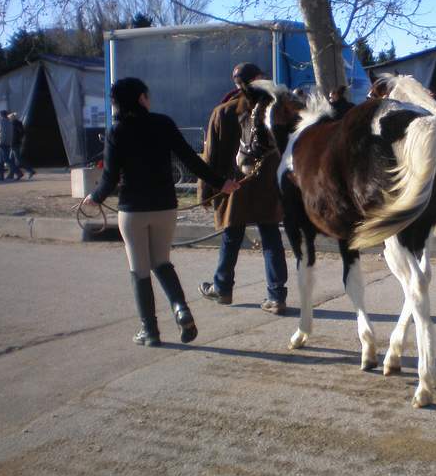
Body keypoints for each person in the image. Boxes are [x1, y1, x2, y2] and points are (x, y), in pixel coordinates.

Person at [84, 78, 239, 347]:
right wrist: (221, 183)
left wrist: (95, 198)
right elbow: (191, 159)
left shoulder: (116, 131)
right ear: (141, 98)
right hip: (165, 206)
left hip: (133, 210)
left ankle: (150, 331)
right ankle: (181, 309)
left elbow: (109, 178)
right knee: (162, 262)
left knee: (140, 269)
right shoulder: (163, 123)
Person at [198, 63, 289, 315]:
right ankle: (276, 295)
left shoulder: (224, 111)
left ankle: (222, 288)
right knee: (270, 237)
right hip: (267, 184)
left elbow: (211, 157)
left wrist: (207, 190)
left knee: (231, 236)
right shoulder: (276, 110)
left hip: (234, 185)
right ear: (259, 78)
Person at [8, 112, 35, 180]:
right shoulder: (18, 123)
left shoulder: (14, 124)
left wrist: (14, 140)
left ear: (12, 118)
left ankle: (30, 170)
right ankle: (11, 174)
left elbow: (15, 134)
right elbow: (22, 133)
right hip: (16, 143)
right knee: (11, 159)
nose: (9, 119)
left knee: (18, 159)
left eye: (9, 118)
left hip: (14, 143)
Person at [0, 110, 17, 181]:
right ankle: (0, 176)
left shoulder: (2, 122)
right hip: (7, 142)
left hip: (3, 143)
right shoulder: (9, 122)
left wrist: (0, 142)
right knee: (0, 161)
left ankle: (18, 172)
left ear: (1, 115)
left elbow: (2, 133)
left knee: (6, 159)